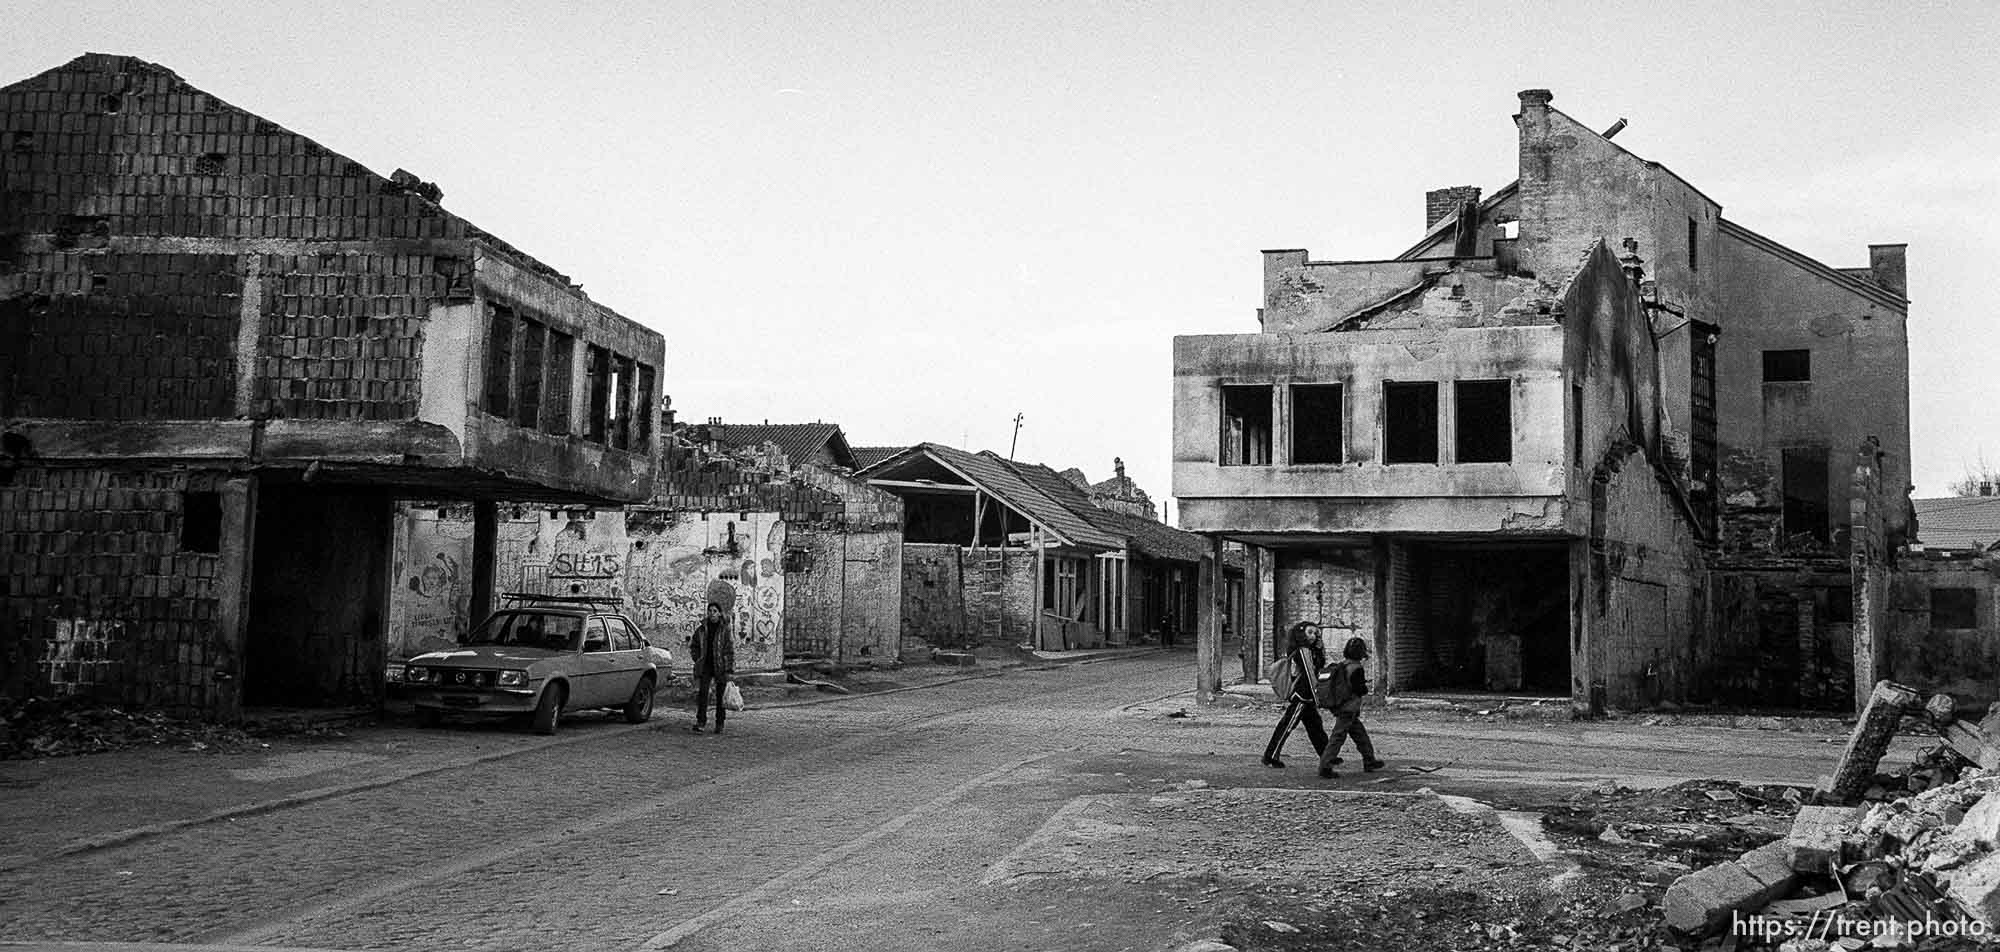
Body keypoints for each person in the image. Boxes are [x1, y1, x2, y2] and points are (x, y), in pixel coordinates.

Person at [1261, 622, 1329, 768]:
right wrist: (1318, 697)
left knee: (1315, 727)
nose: (1313, 636)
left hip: (1307, 697)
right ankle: (1270, 756)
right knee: (1287, 726)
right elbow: (1310, 675)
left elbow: (1318, 666)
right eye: (1310, 632)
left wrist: (1319, 649)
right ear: (1301, 634)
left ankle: (1328, 755)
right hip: (1301, 696)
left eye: (1315, 633)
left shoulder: (1310, 650)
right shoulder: (1302, 651)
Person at [1318, 636, 1387, 779]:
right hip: (1349, 708)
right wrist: (1365, 688)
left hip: (1342, 706)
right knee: (1338, 737)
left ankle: (1369, 760)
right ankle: (1325, 766)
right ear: (1361, 653)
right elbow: (1359, 689)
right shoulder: (1357, 668)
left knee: (1360, 735)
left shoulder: (1343, 665)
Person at [687, 602, 735, 734]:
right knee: (703, 693)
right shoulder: (702, 629)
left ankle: (720, 723)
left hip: (720, 666)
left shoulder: (725, 629)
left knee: (721, 696)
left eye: (714, 611)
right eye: (710, 611)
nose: (712, 613)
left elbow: (729, 650)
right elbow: (694, 645)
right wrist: (697, 658)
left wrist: (729, 669)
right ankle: (701, 722)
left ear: (719, 613)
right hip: (706, 665)